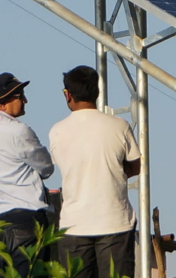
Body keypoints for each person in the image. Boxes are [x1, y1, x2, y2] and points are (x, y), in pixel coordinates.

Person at [50, 66, 141, 278]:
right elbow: (135, 166)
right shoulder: (120, 125)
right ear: (97, 93)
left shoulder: (57, 131)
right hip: (114, 222)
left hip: (74, 225)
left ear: (68, 94)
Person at [0, 72, 54, 276]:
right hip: (25, 218)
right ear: (3, 102)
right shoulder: (18, 130)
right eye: (20, 95)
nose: (25, 100)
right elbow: (47, 168)